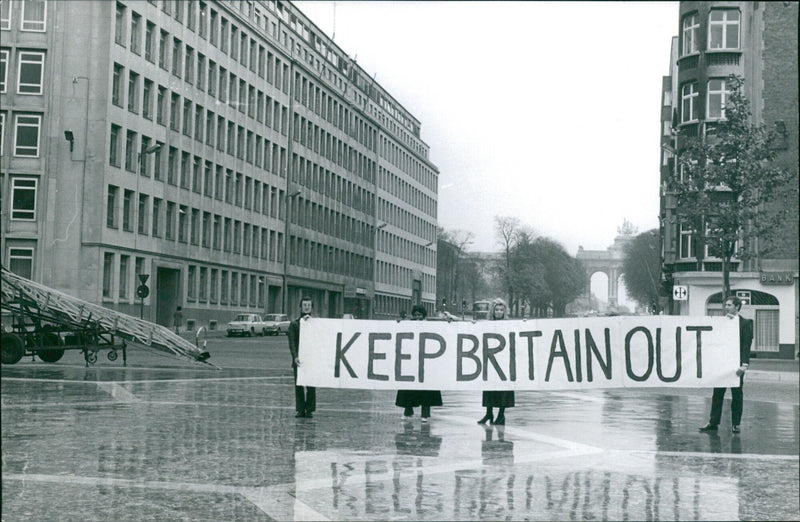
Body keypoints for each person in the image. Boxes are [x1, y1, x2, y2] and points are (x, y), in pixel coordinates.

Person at [699, 296, 753, 434]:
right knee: (717, 393)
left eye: (729, 305)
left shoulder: (745, 323)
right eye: (726, 305)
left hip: (737, 365)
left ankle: (736, 424)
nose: (726, 307)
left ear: (737, 307)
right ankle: (713, 422)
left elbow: (746, 345)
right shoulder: (721, 323)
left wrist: (744, 365)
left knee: (737, 394)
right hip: (722, 364)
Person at [395, 304, 442, 421]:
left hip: (426, 362)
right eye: (415, 315)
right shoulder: (407, 325)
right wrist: (398, 323)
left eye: (419, 315)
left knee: (426, 388)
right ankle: (408, 410)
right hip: (411, 361)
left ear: (423, 315)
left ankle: (425, 413)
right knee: (409, 387)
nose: (417, 317)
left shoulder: (430, 326)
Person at [477, 299, 515, 425]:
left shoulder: (509, 324)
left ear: (505, 311)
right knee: (489, 387)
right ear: (493, 311)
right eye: (497, 310)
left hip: (505, 361)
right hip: (491, 360)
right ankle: (489, 413)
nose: (499, 312)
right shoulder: (487, 324)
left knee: (503, 389)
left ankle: (501, 415)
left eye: (501, 310)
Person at [288, 296, 316, 418]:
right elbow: (292, 342)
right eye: (305, 305)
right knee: (299, 385)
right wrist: (295, 356)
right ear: (301, 307)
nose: (307, 307)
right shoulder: (294, 324)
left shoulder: (316, 324)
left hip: (311, 359)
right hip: (298, 360)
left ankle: (309, 409)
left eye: (309, 305)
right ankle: (300, 409)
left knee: (311, 385)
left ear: (311, 307)